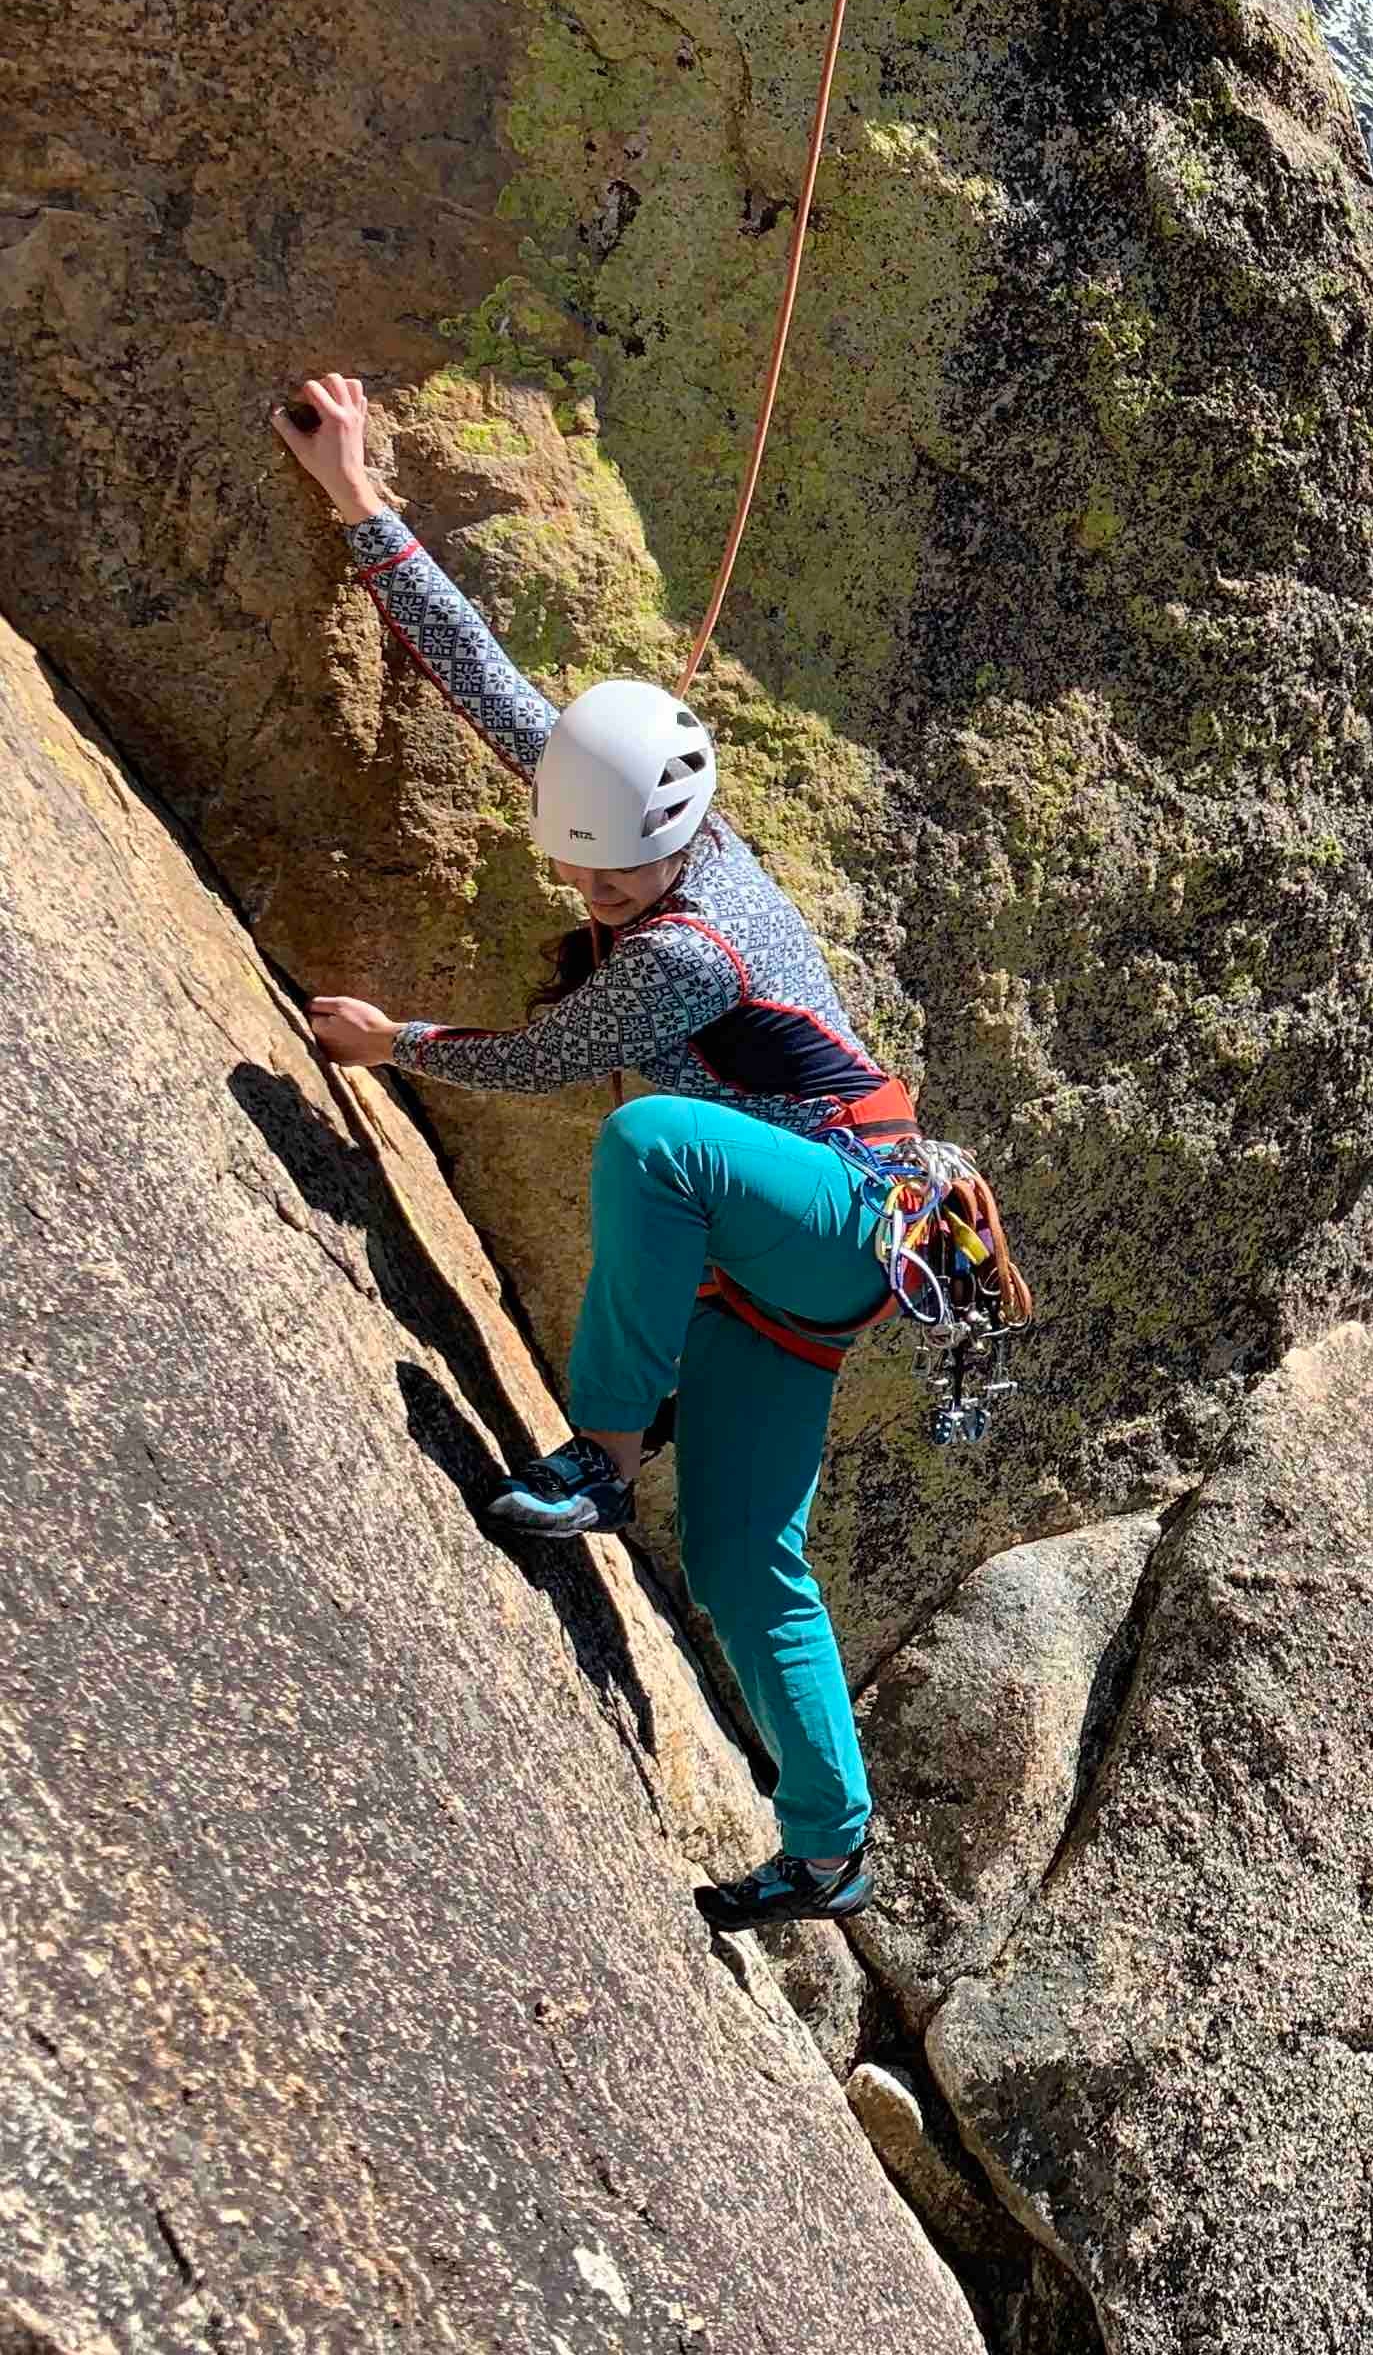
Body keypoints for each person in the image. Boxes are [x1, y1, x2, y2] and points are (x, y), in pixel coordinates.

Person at [276, 370, 904, 1934]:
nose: (594, 902)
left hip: (831, 1209)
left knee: (651, 1140)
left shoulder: (690, 943)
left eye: (609, 887)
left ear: (664, 857)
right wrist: (358, 496)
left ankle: (600, 1459)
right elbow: (500, 696)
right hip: (821, 1250)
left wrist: (394, 1045)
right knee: (752, 1549)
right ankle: (830, 1844)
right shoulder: (648, 805)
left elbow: (549, 1062)